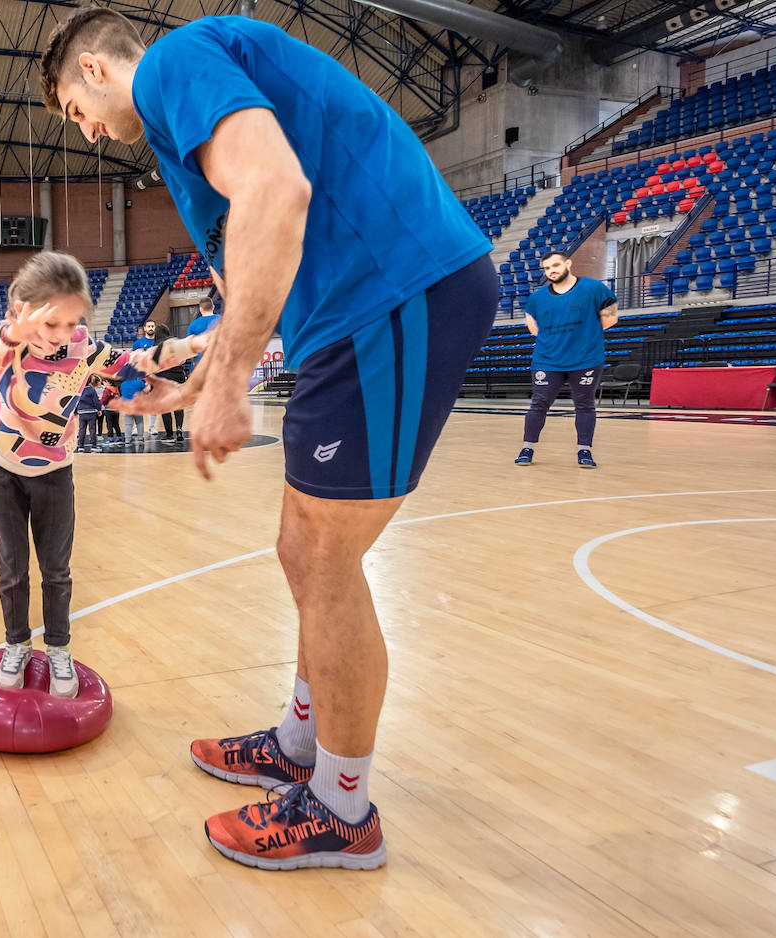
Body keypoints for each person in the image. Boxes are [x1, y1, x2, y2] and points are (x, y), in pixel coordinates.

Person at [41, 8, 495, 870]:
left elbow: (278, 191)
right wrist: (205, 379)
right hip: (347, 314)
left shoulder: (174, 65)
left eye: (75, 109)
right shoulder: (182, 138)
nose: (89, 133)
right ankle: (299, 743)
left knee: (326, 560)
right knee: (302, 549)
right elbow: (253, 260)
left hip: (394, 290)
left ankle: (343, 808)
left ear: (96, 69)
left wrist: (238, 375)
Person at [0, 251, 208, 698]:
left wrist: (193, 345)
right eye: (50, 324)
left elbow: (139, 360)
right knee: (12, 570)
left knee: (57, 570)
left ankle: (58, 648)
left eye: (71, 324)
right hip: (3, 471)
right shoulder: (5, 344)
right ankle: (16, 643)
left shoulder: (84, 348)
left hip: (56, 473)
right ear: (21, 311)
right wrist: (13, 331)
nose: (61, 337)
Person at [515, 251, 618, 469]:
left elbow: (611, 318)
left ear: (568, 264)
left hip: (586, 359)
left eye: (555, 265)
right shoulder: (536, 298)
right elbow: (533, 328)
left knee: (584, 404)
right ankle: (527, 447)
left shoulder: (594, 288)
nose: (551, 270)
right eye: (547, 268)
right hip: (547, 360)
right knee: (539, 403)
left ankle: (584, 451)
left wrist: (583, 335)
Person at [76, 376, 103, 452]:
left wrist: (75, 411)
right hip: (91, 412)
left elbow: (76, 401)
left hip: (81, 412)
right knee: (92, 429)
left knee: (81, 430)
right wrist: (99, 409)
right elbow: (96, 401)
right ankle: (94, 446)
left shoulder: (80, 390)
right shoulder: (92, 390)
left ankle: (80, 446)